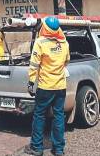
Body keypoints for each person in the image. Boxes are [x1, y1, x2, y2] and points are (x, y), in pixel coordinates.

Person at [24, 17, 70, 156]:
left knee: (39, 116)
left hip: (45, 87)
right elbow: (66, 61)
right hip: (60, 86)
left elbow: (34, 65)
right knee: (59, 116)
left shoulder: (40, 42)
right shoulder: (64, 42)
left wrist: (31, 82)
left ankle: (37, 148)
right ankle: (58, 149)